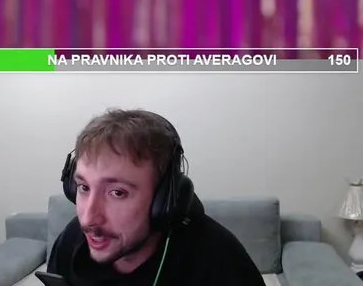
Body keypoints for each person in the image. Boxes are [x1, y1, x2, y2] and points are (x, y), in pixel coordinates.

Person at [46, 108, 264, 285]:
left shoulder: (220, 259)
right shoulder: (72, 240)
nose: (88, 219)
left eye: (117, 193)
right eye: (84, 187)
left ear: (165, 200)